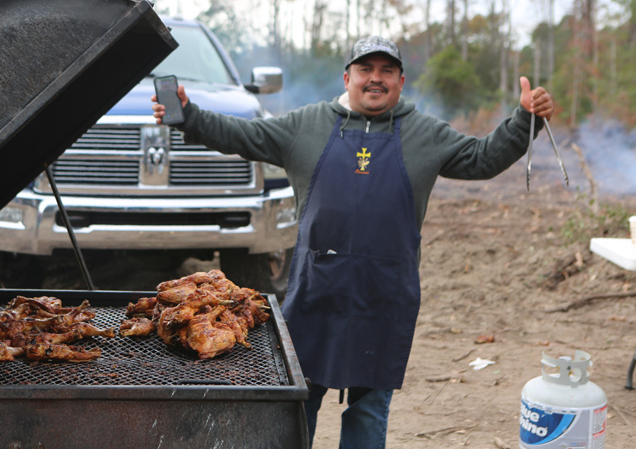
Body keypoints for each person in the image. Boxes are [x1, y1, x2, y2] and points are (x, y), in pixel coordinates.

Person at [152, 36, 554, 449]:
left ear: (401, 81)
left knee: (368, 408)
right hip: (315, 293)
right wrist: (188, 116)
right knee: (296, 399)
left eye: (386, 71)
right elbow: (241, 134)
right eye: (365, 70)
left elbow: (482, 158)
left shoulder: (425, 133)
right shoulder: (306, 125)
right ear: (348, 77)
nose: (375, 79)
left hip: (385, 296)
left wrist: (524, 120)